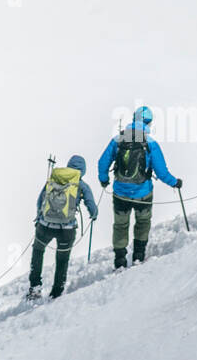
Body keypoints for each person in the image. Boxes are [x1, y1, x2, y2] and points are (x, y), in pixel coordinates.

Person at [98, 106, 182, 269]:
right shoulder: (151, 143)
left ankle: (120, 260)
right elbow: (161, 171)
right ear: (149, 123)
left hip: (120, 192)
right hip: (143, 193)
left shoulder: (117, 139)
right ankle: (138, 256)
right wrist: (175, 182)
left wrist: (104, 180)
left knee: (120, 225)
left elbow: (102, 163)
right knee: (142, 222)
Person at [30, 155, 99, 300]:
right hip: (67, 230)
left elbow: (40, 200)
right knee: (62, 260)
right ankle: (56, 292)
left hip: (45, 226)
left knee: (38, 251)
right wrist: (93, 215)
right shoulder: (81, 185)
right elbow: (92, 206)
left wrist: (39, 216)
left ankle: (35, 288)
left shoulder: (53, 179)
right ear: (83, 170)